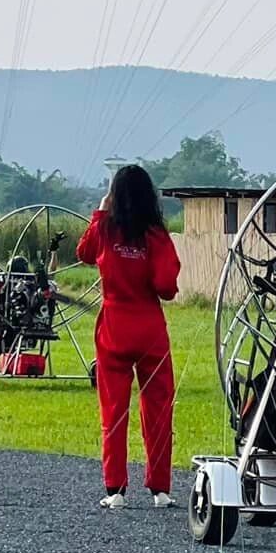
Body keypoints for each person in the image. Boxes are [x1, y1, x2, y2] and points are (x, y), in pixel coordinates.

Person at [77, 165, 181, 509]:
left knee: (114, 409)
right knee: (158, 408)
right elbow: (166, 288)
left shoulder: (106, 230)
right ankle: (160, 489)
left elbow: (84, 253)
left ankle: (115, 489)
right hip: (150, 327)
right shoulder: (156, 236)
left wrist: (101, 209)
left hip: (114, 327)